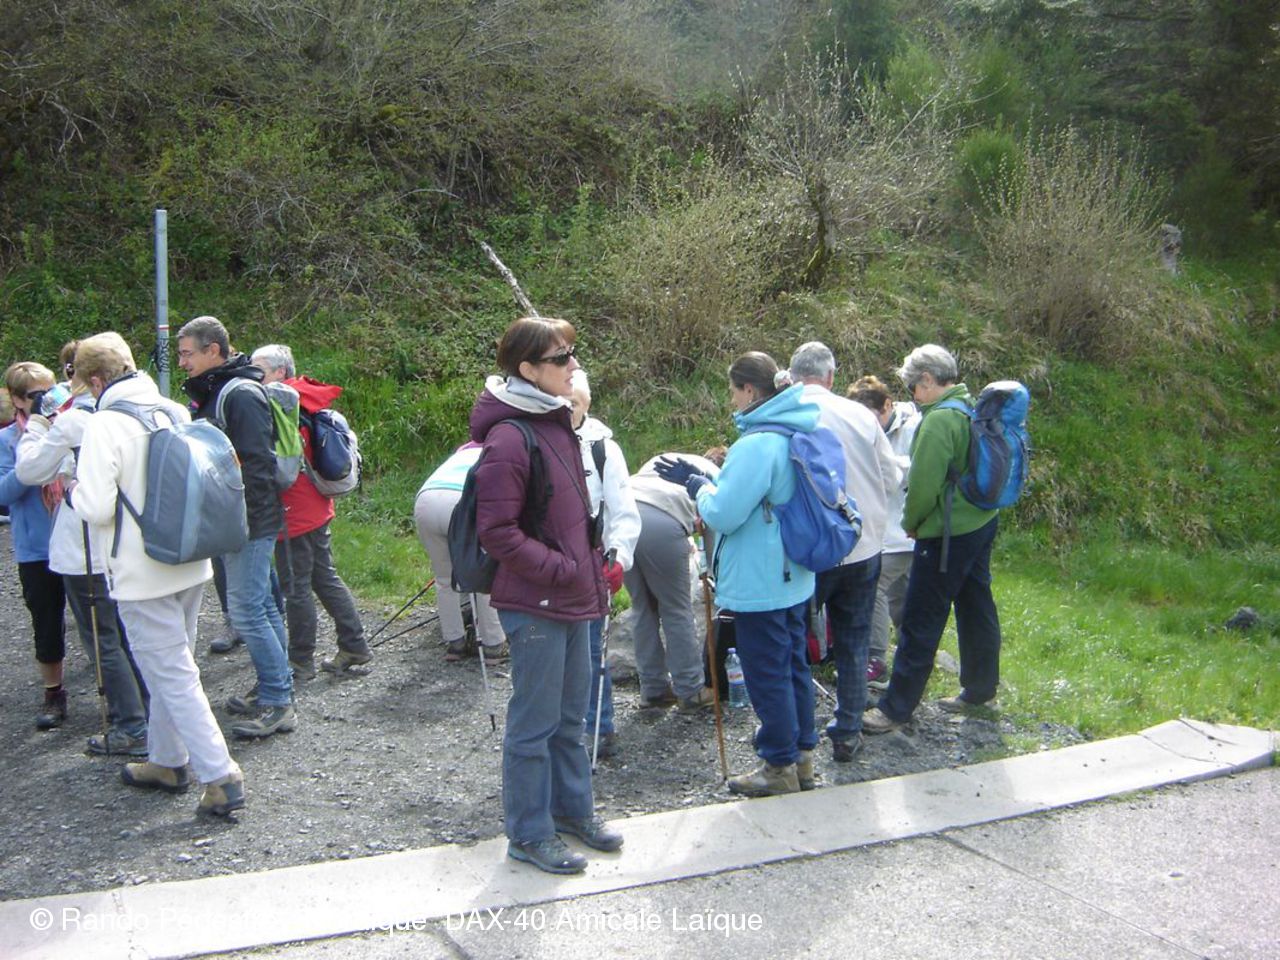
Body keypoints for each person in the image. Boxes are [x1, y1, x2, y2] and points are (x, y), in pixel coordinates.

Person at [66, 332, 244, 816]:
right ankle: (167, 761)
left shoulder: (105, 424)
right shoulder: (172, 409)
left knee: (173, 673)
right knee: (171, 667)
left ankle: (221, 775)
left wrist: (72, 489)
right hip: (189, 557)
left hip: (142, 571)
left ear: (96, 381)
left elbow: (95, 506)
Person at [471, 316, 622, 875]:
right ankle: (529, 834)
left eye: (572, 354)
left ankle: (572, 812)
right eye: (562, 359)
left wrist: (590, 564)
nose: (573, 366)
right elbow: (497, 532)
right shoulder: (511, 437)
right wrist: (560, 568)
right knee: (533, 725)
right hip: (536, 602)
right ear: (528, 370)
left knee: (571, 717)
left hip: (574, 595)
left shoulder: (555, 423)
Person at [654, 351, 821, 798]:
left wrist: (698, 487)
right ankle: (802, 757)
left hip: (760, 580)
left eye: (733, 391)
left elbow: (725, 514)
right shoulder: (797, 427)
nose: (731, 400)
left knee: (767, 672)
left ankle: (778, 765)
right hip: (793, 573)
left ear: (749, 390)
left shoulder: (757, 443)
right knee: (794, 665)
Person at [864, 344, 1003, 733]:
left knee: (921, 618)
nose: (912, 395)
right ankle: (980, 689)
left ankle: (895, 708)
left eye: (913, 386)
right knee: (976, 605)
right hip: (980, 521)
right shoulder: (969, 405)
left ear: (927, 380)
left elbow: (922, 486)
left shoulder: (939, 420)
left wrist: (911, 523)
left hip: (946, 534)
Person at [16, 361, 150, 756]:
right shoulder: (138, 409)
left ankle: (130, 725)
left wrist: (38, 424)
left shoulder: (74, 420)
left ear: (86, 379)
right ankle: (151, 713)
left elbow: (30, 470)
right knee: (130, 633)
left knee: (102, 639)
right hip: (126, 542)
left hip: (84, 548)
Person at [177, 315, 294, 738]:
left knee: (246, 609)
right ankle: (273, 685)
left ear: (213, 350)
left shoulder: (239, 394)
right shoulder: (220, 388)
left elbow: (256, 465)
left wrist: (243, 521)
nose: (182, 363)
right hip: (241, 516)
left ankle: (279, 701)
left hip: (248, 518)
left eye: (187, 354)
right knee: (261, 605)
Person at [789, 342, 901, 763]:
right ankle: (848, 731)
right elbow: (890, 478)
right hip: (862, 544)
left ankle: (797, 734)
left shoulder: (785, 413)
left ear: (792, 375)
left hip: (807, 550)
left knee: (793, 640)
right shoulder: (861, 415)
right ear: (832, 377)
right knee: (854, 641)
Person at [251, 344, 372, 679]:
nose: (252, 375)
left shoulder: (279, 405)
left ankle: (300, 661)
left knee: (296, 587)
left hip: (294, 511)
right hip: (316, 504)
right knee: (323, 577)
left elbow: (280, 467)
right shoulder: (304, 399)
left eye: (259, 369)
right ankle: (354, 645)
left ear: (280, 372)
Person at [569, 370, 642, 760]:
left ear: (586, 404)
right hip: (552, 562)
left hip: (593, 560)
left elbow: (623, 510)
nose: (568, 409)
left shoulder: (603, 449)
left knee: (592, 649)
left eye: (575, 402)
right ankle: (563, 730)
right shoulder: (538, 438)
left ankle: (600, 727)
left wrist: (619, 557)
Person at [625, 449, 723, 714]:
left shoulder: (663, 457)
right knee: (675, 608)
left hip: (621, 519)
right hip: (661, 522)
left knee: (642, 607)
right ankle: (690, 689)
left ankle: (653, 690)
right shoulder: (715, 476)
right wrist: (715, 575)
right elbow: (715, 530)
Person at [1, 362, 69, 728]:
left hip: (75, 540)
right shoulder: (7, 441)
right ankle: (53, 693)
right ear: (16, 399)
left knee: (101, 620)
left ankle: (119, 690)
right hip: (36, 547)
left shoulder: (70, 426)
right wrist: (32, 461)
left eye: (50, 392)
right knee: (45, 621)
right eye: (34, 396)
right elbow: (3, 493)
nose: (45, 402)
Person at [848, 374, 919, 694]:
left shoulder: (914, 427)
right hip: (881, 531)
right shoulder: (860, 429)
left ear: (887, 405)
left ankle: (875, 659)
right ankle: (913, 655)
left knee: (875, 586)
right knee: (901, 597)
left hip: (905, 530)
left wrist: (887, 464)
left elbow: (919, 468)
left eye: (871, 416)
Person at [413, 442, 508, 664]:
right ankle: (493, 644)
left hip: (426, 499)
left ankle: (455, 643)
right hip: (459, 500)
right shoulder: (500, 453)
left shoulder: (463, 451)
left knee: (444, 579)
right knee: (482, 575)